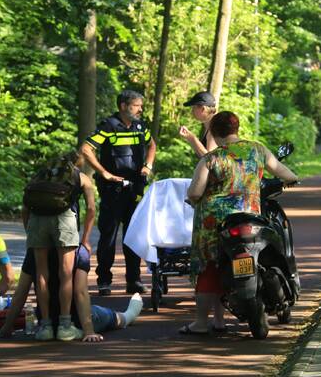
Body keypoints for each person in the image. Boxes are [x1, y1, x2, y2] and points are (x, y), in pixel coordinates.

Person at [183, 111, 298, 334]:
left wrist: (193, 198)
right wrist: (292, 180)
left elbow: (195, 192)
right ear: (237, 128)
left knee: (209, 267)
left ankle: (203, 322)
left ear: (215, 133)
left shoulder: (211, 158)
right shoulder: (258, 149)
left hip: (213, 222)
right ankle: (225, 317)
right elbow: (286, 173)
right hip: (250, 216)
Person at [81, 89, 157, 296]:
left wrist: (147, 167)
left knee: (133, 235)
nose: (140, 109)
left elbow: (152, 146)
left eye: (141, 105)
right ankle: (104, 281)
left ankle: (134, 281)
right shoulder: (108, 126)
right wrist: (103, 173)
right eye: (136, 106)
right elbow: (86, 149)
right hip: (113, 189)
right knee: (109, 234)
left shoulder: (141, 126)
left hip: (135, 188)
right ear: (123, 106)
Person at [0, 246, 144, 342]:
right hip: (78, 320)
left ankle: (126, 316)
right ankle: (127, 316)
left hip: (46, 322)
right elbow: (80, 292)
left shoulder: (34, 251)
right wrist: (89, 330)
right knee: (106, 315)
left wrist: (7, 327)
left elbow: (20, 294)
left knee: (97, 312)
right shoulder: (79, 251)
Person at [23, 149, 96, 341]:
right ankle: (65, 326)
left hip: (38, 220)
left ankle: (45, 327)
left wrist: (29, 232)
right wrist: (86, 238)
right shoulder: (80, 177)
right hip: (64, 220)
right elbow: (91, 208)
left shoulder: (40, 175)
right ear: (77, 163)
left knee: (41, 274)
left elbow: (25, 206)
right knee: (65, 275)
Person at [179, 91, 218, 157]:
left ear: (203, 109)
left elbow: (210, 158)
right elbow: (202, 156)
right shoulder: (210, 125)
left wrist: (192, 138)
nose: (192, 111)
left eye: (194, 108)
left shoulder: (215, 126)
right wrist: (189, 138)